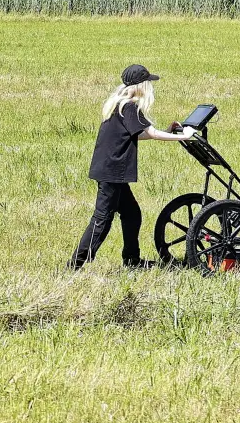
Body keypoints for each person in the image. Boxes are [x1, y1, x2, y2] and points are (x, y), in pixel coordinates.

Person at [69, 64, 198, 270]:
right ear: (142, 86)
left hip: (110, 169)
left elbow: (140, 133)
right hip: (113, 171)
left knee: (131, 214)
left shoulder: (119, 104)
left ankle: (132, 260)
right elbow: (152, 134)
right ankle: (75, 265)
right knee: (102, 219)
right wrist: (184, 135)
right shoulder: (129, 106)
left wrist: (169, 132)